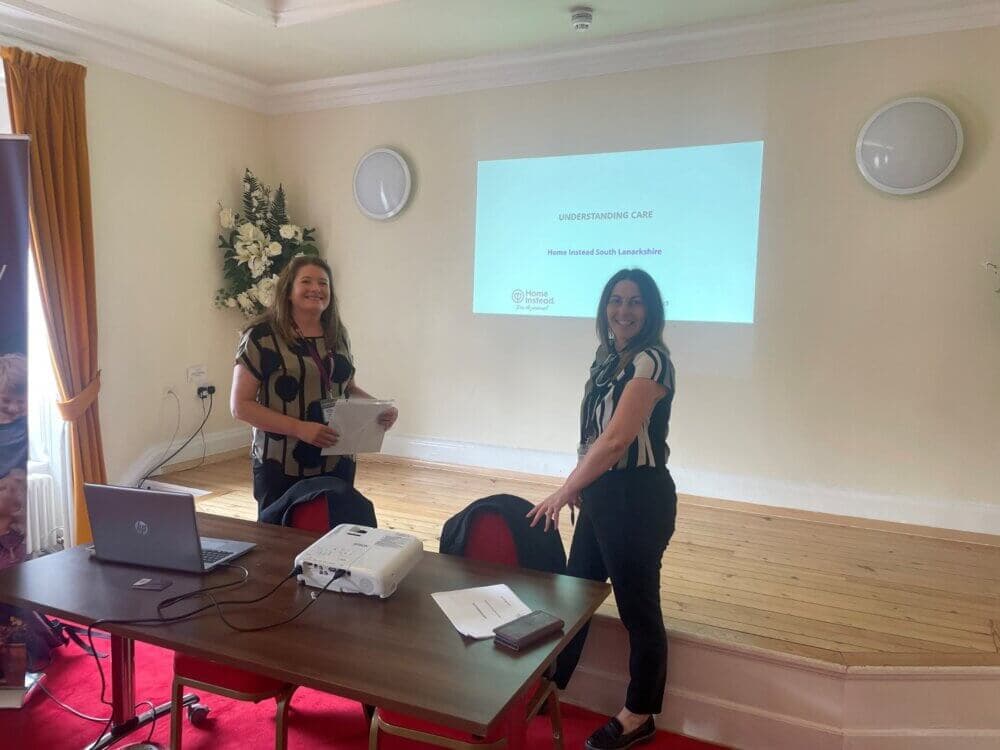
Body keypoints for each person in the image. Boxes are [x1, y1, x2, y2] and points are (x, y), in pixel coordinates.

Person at [527, 268, 676, 750]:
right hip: (602, 495)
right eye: (616, 300)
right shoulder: (606, 357)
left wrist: (563, 489)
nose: (624, 310)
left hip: (638, 497)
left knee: (638, 608)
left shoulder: (652, 361)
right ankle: (553, 684)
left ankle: (639, 713)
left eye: (635, 302)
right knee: (576, 593)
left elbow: (615, 441)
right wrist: (580, 487)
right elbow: (593, 437)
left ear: (650, 310)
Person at [231, 256, 397, 513]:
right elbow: (241, 406)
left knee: (335, 537)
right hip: (282, 462)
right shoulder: (262, 336)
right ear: (288, 290)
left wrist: (378, 408)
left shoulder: (337, 333)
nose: (316, 288)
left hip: (336, 458)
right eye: (306, 281)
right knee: (280, 541)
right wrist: (300, 429)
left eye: (323, 283)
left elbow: (347, 388)